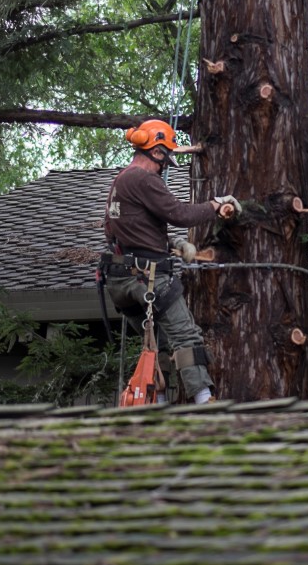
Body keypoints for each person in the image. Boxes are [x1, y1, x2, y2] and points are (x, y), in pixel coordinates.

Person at [103, 118, 240, 404]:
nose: (164, 166)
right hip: (147, 277)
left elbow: (116, 230)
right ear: (156, 151)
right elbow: (179, 214)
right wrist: (215, 205)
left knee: (158, 343)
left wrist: (171, 244)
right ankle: (205, 402)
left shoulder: (121, 180)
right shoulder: (143, 178)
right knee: (186, 336)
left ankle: (158, 404)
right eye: (164, 159)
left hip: (121, 281)